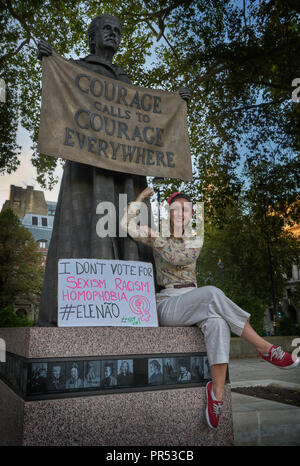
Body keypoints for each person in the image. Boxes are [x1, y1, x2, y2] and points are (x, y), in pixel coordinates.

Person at [36, 14, 190, 326]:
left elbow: (147, 121)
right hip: (88, 168)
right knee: (88, 223)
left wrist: (176, 103)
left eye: (119, 31)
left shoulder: (125, 81)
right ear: (92, 36)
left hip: (126, 173)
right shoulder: (77, 70)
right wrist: (51, 62)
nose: (114, 34)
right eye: (107, 29)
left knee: (126, 227)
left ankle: (130, 307)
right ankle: (82, 304)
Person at [120, 187, 300, 430]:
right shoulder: (158, 235)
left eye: (187, 210)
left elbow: (179, 256)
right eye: (177, 209)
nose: (182, 213)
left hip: (194, 297)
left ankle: (216, 395)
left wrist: (156, 238)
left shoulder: (195, 239)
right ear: (169, 212)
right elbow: (125, 225)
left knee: (217, 322)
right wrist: (140, 199)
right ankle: (265, 348)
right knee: (213, 294)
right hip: (168, 301)